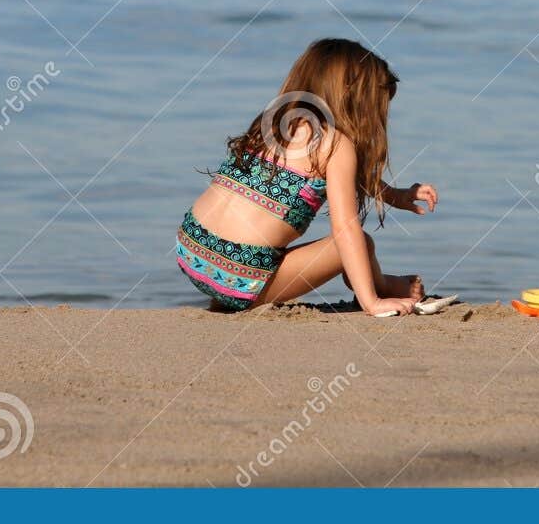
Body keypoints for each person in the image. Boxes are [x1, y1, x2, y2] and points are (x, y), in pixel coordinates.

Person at [178, 38, 438, 316]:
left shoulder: (276, 123)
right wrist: (371, 303)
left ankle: (226, 294)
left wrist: (395, 196)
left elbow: (339, 178)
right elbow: (344, 229)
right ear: (354, 98)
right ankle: (384, 287)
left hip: (191, 248)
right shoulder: (336, 144)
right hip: (240, 274)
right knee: (358, 243)